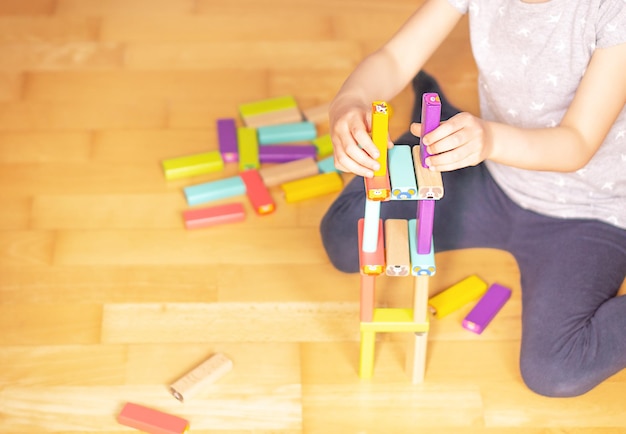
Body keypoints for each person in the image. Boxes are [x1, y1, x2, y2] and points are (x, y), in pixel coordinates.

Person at [320, 0, 626, 397]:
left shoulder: (611, 10)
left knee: (555, 369)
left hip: (588, 211)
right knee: (346, 239)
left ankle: (443, 125)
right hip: (494, 174)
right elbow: (394, 58)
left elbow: (577, 144)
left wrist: (490, 138)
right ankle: (439, 124)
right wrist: (348, 102)